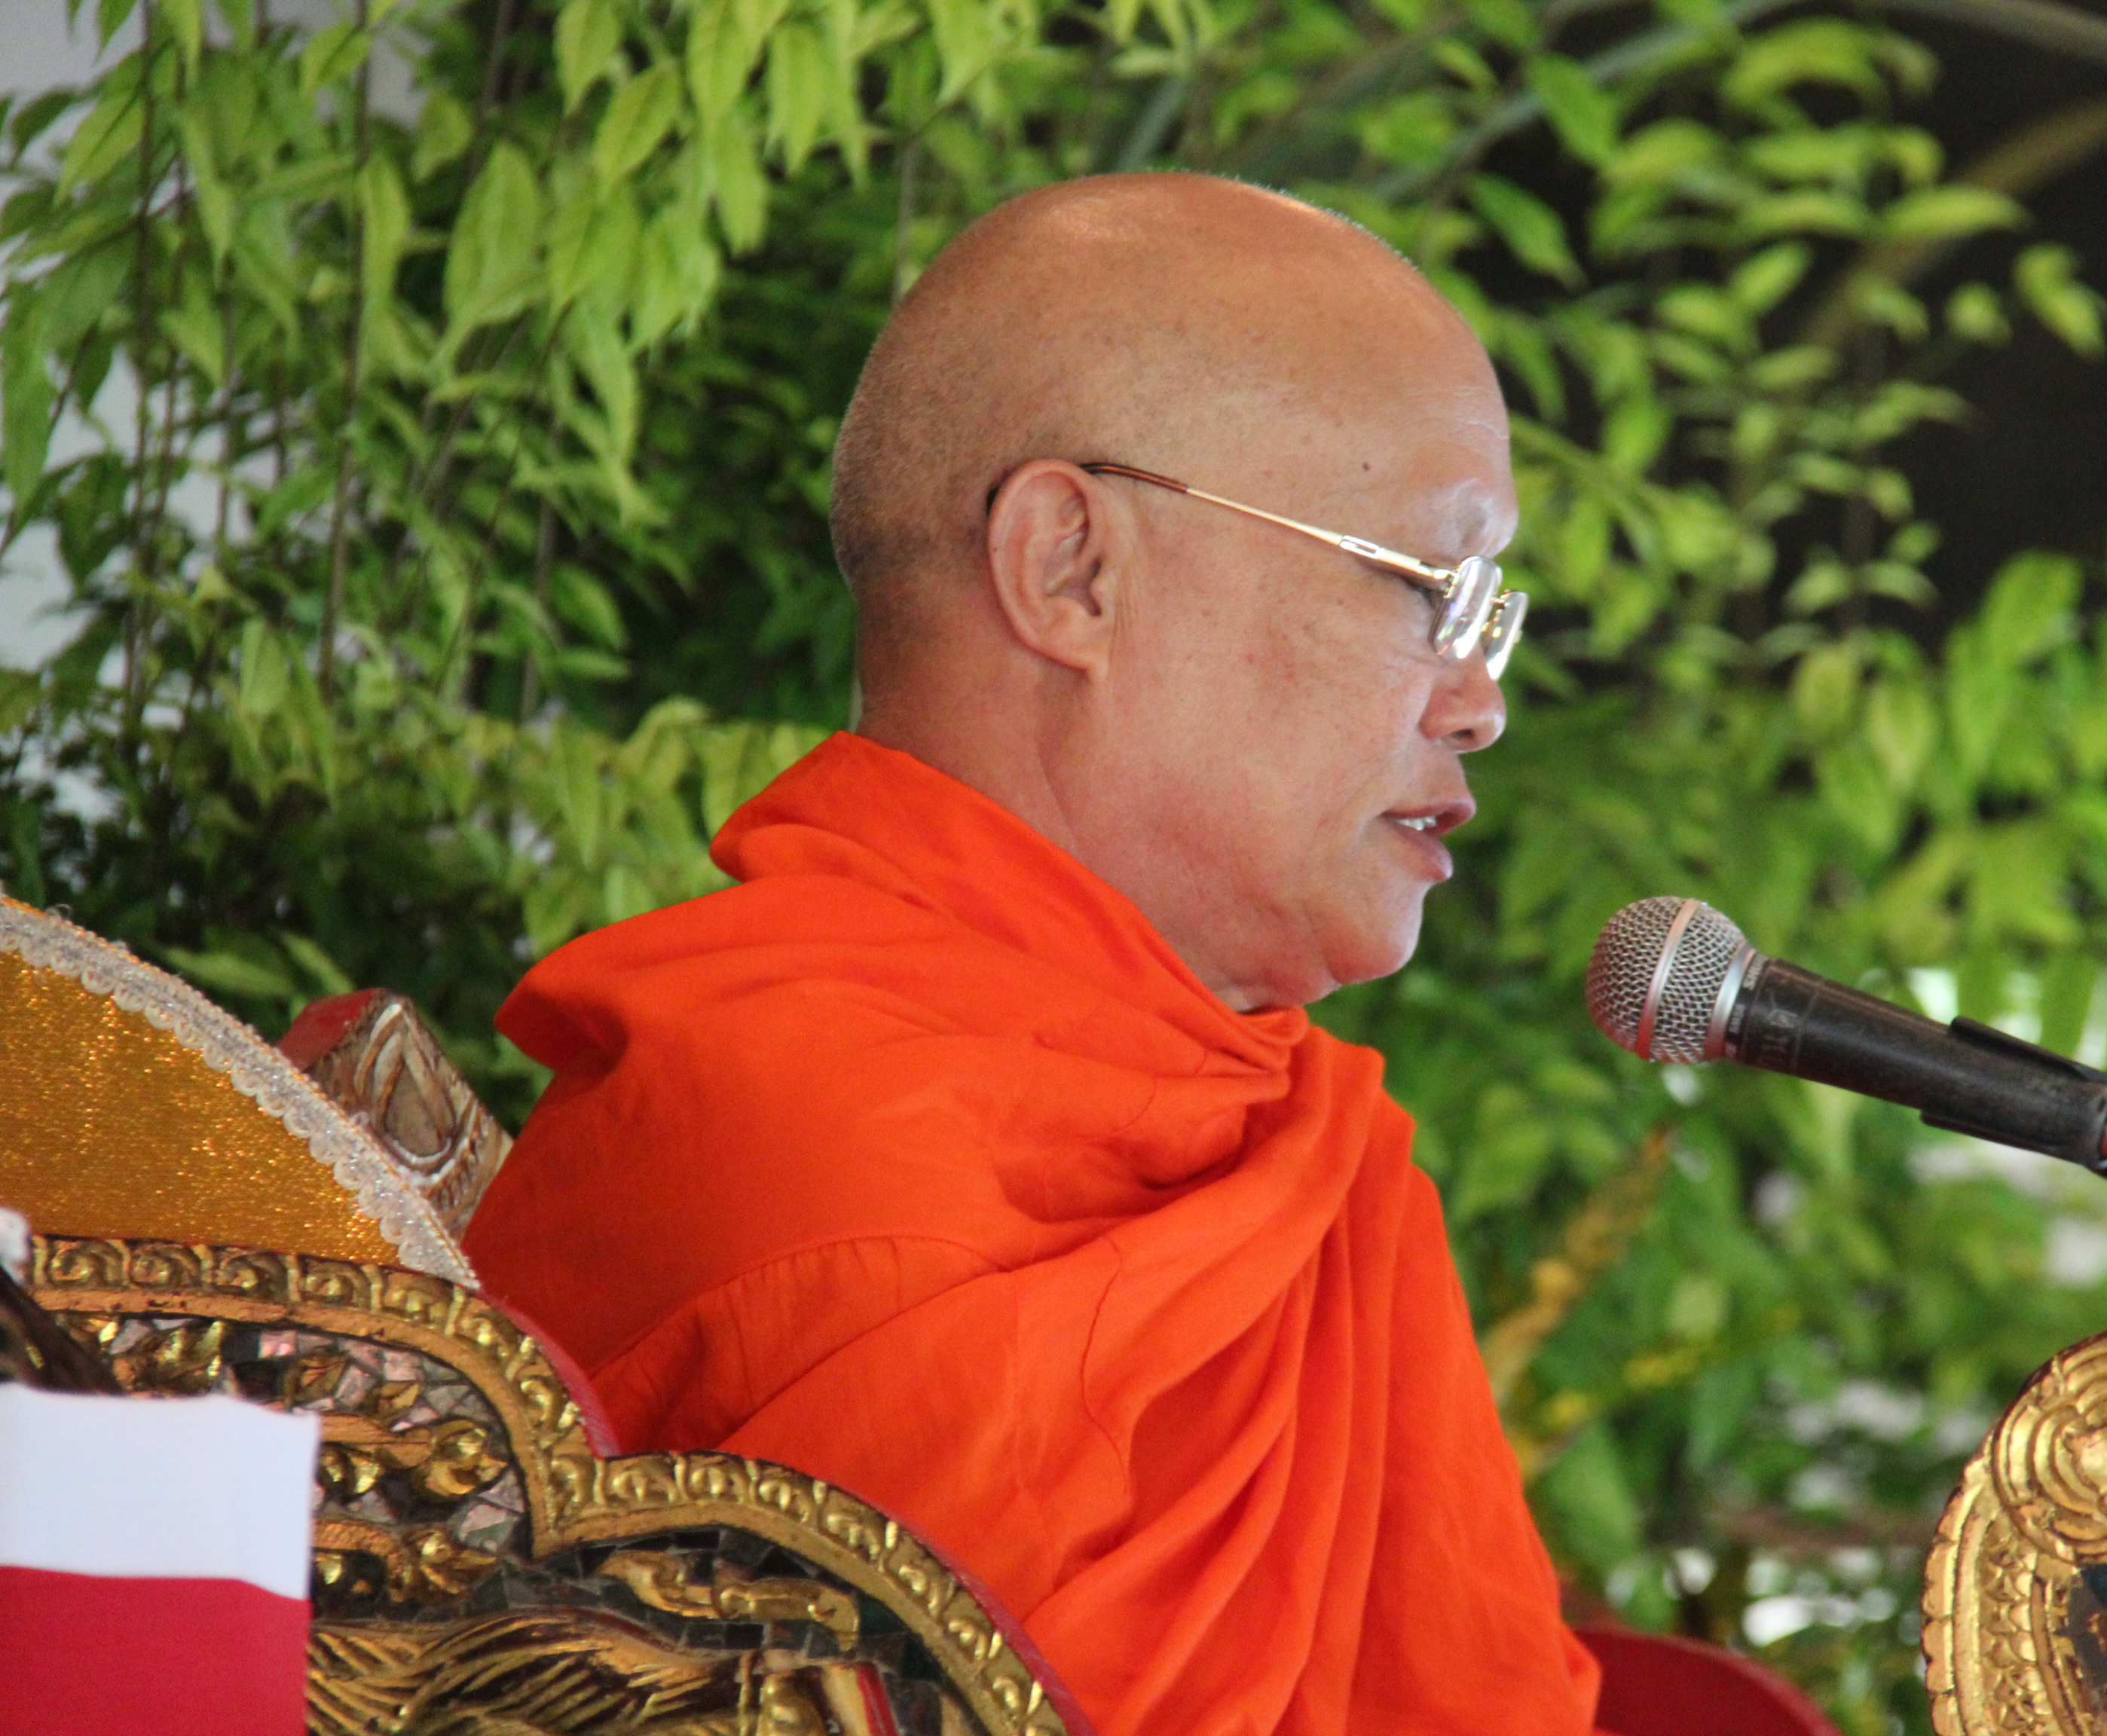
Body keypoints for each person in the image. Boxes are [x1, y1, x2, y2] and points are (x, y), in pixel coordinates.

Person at [463, 173, 1602, 1736]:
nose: (1480, 703)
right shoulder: (795, 1134)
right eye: (1426, 590)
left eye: (1489, 614)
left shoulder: (1301, 1160)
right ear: (1072, 567)